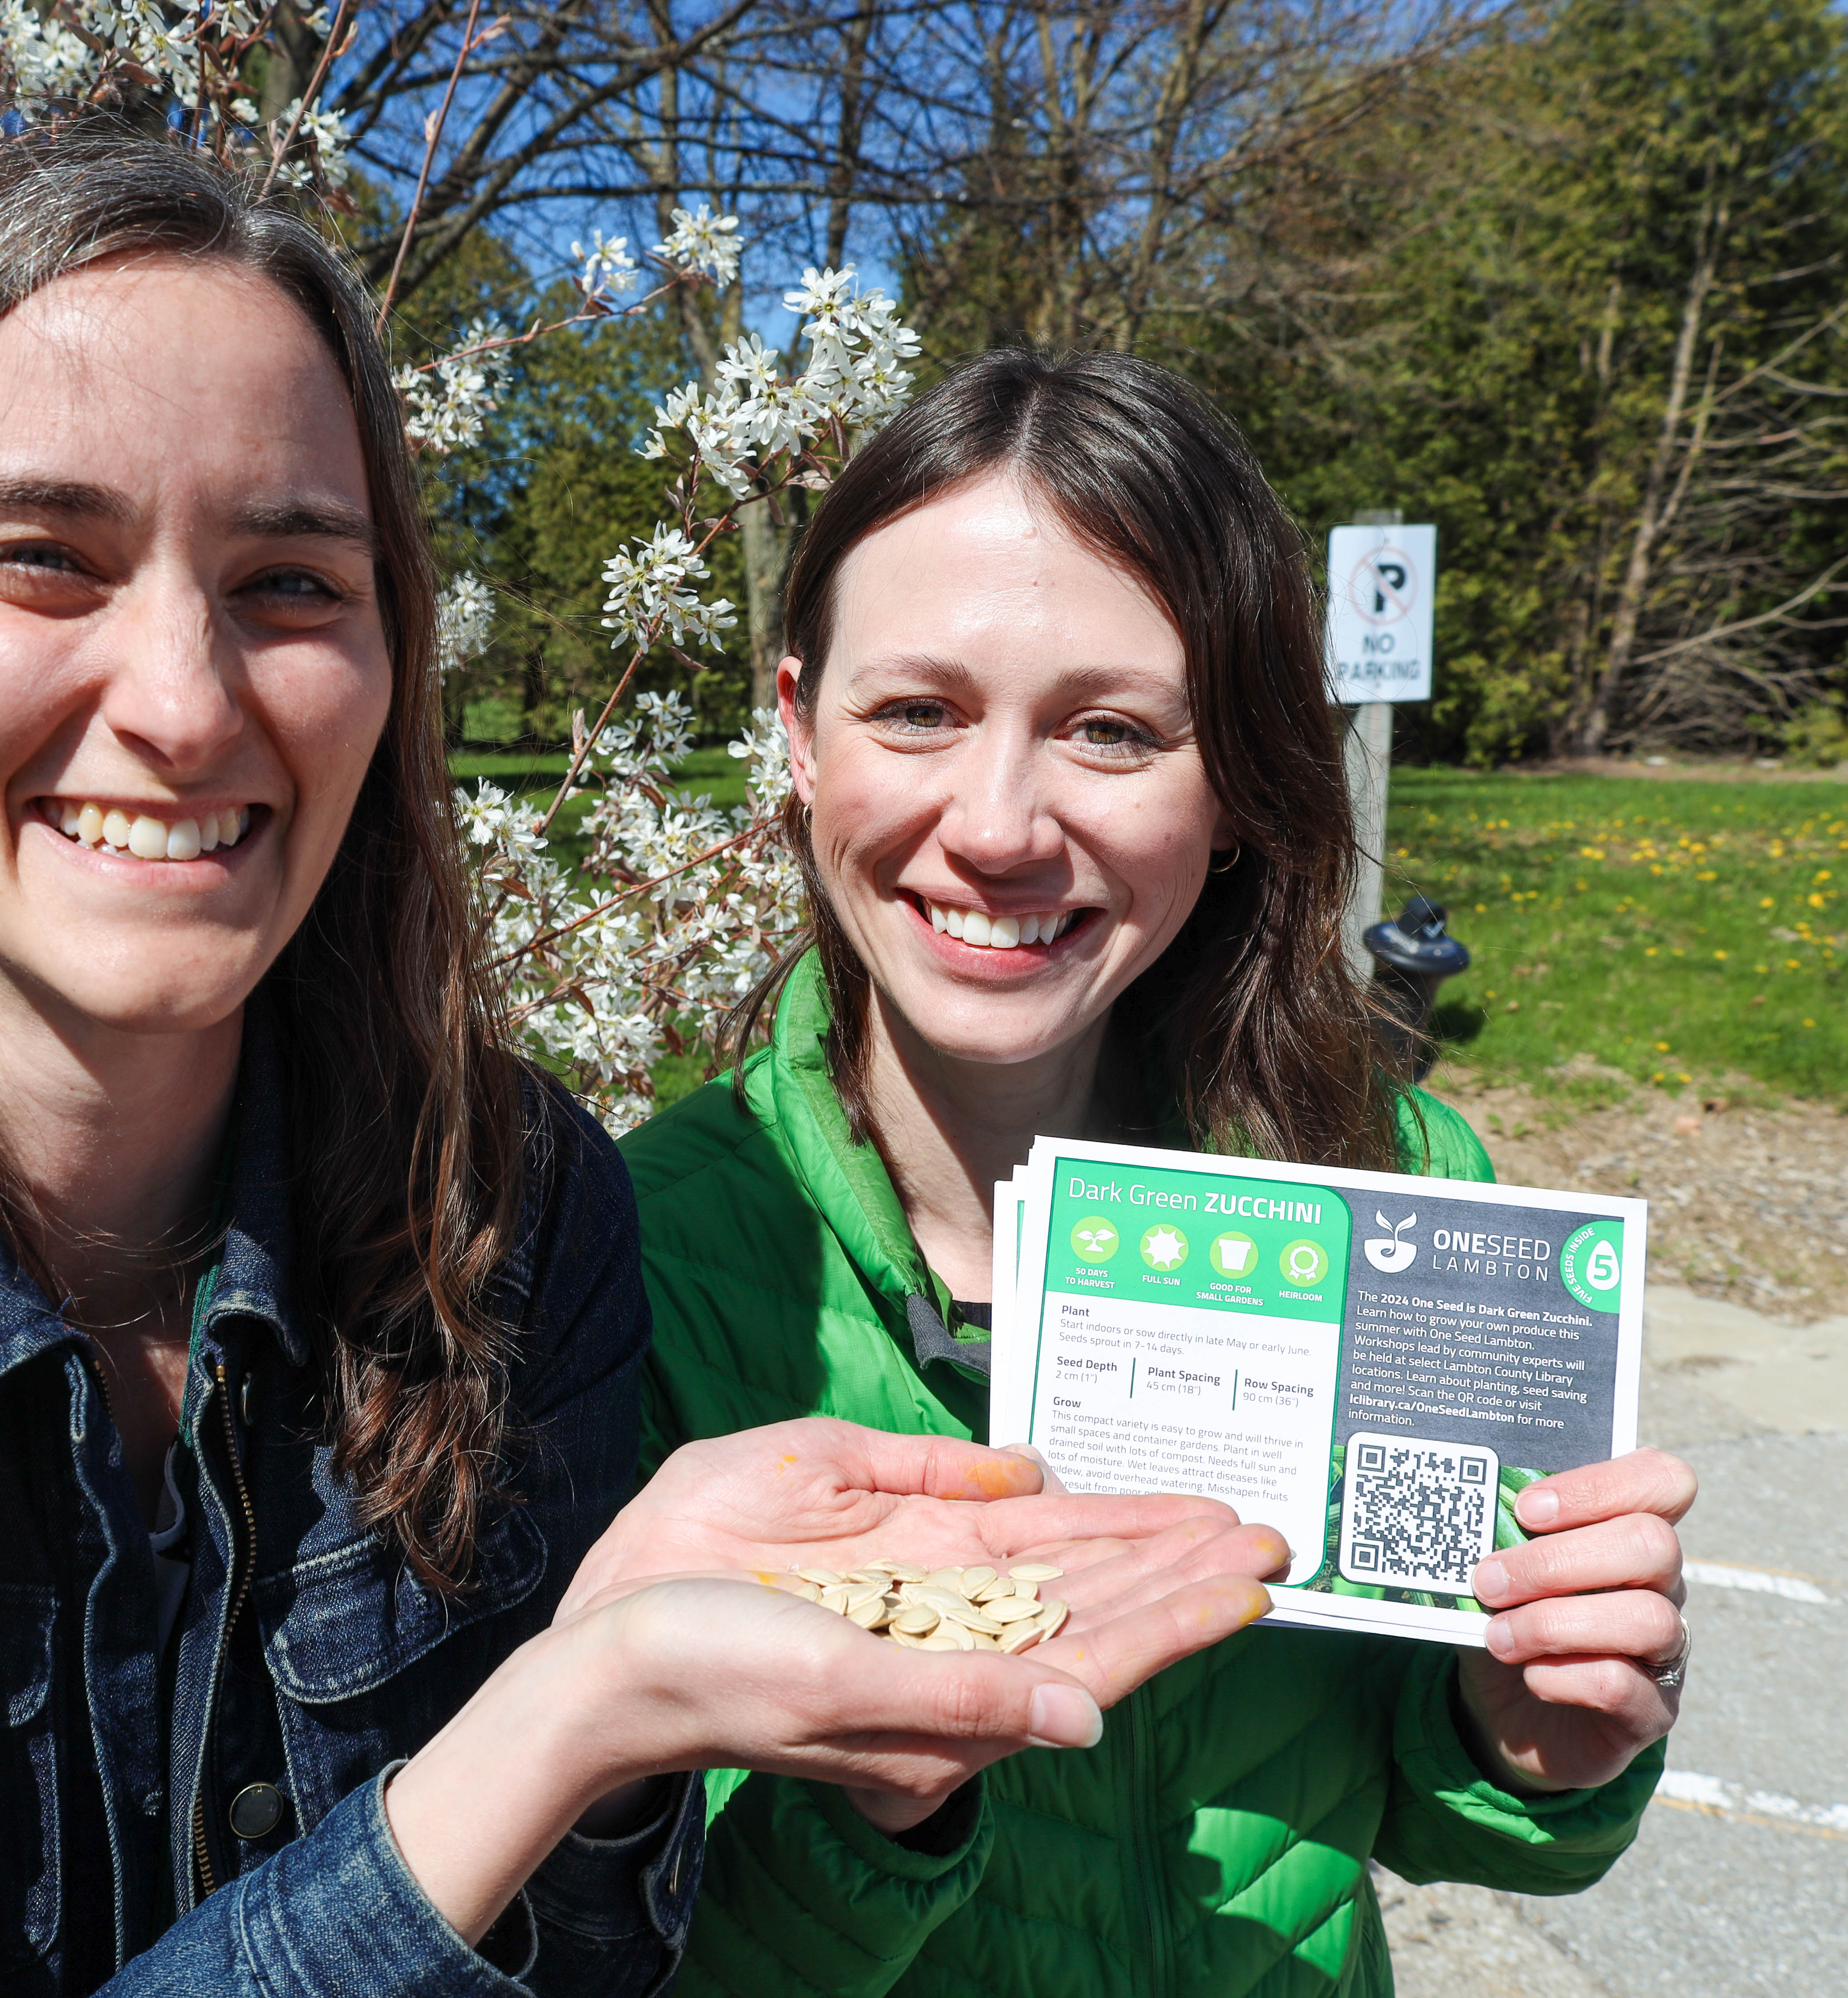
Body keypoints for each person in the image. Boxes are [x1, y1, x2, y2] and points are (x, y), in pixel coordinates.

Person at [0, 138, 1296, 1998]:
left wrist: (640, 1735)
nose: (183, 704)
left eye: (289, 584)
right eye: (42, 558)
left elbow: (601, 1967)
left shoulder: (510, 1208)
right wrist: (547, 1731)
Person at [624, 349, 1697, 1998]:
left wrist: (1536, 1732)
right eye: (916, 712)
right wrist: (874, 1813)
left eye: (1112, 732)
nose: (997, 826)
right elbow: (602, 1939)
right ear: (795, 728)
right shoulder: (626, 1262)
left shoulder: (1399, 1192)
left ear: (1243, 785)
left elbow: (1443, 1800)